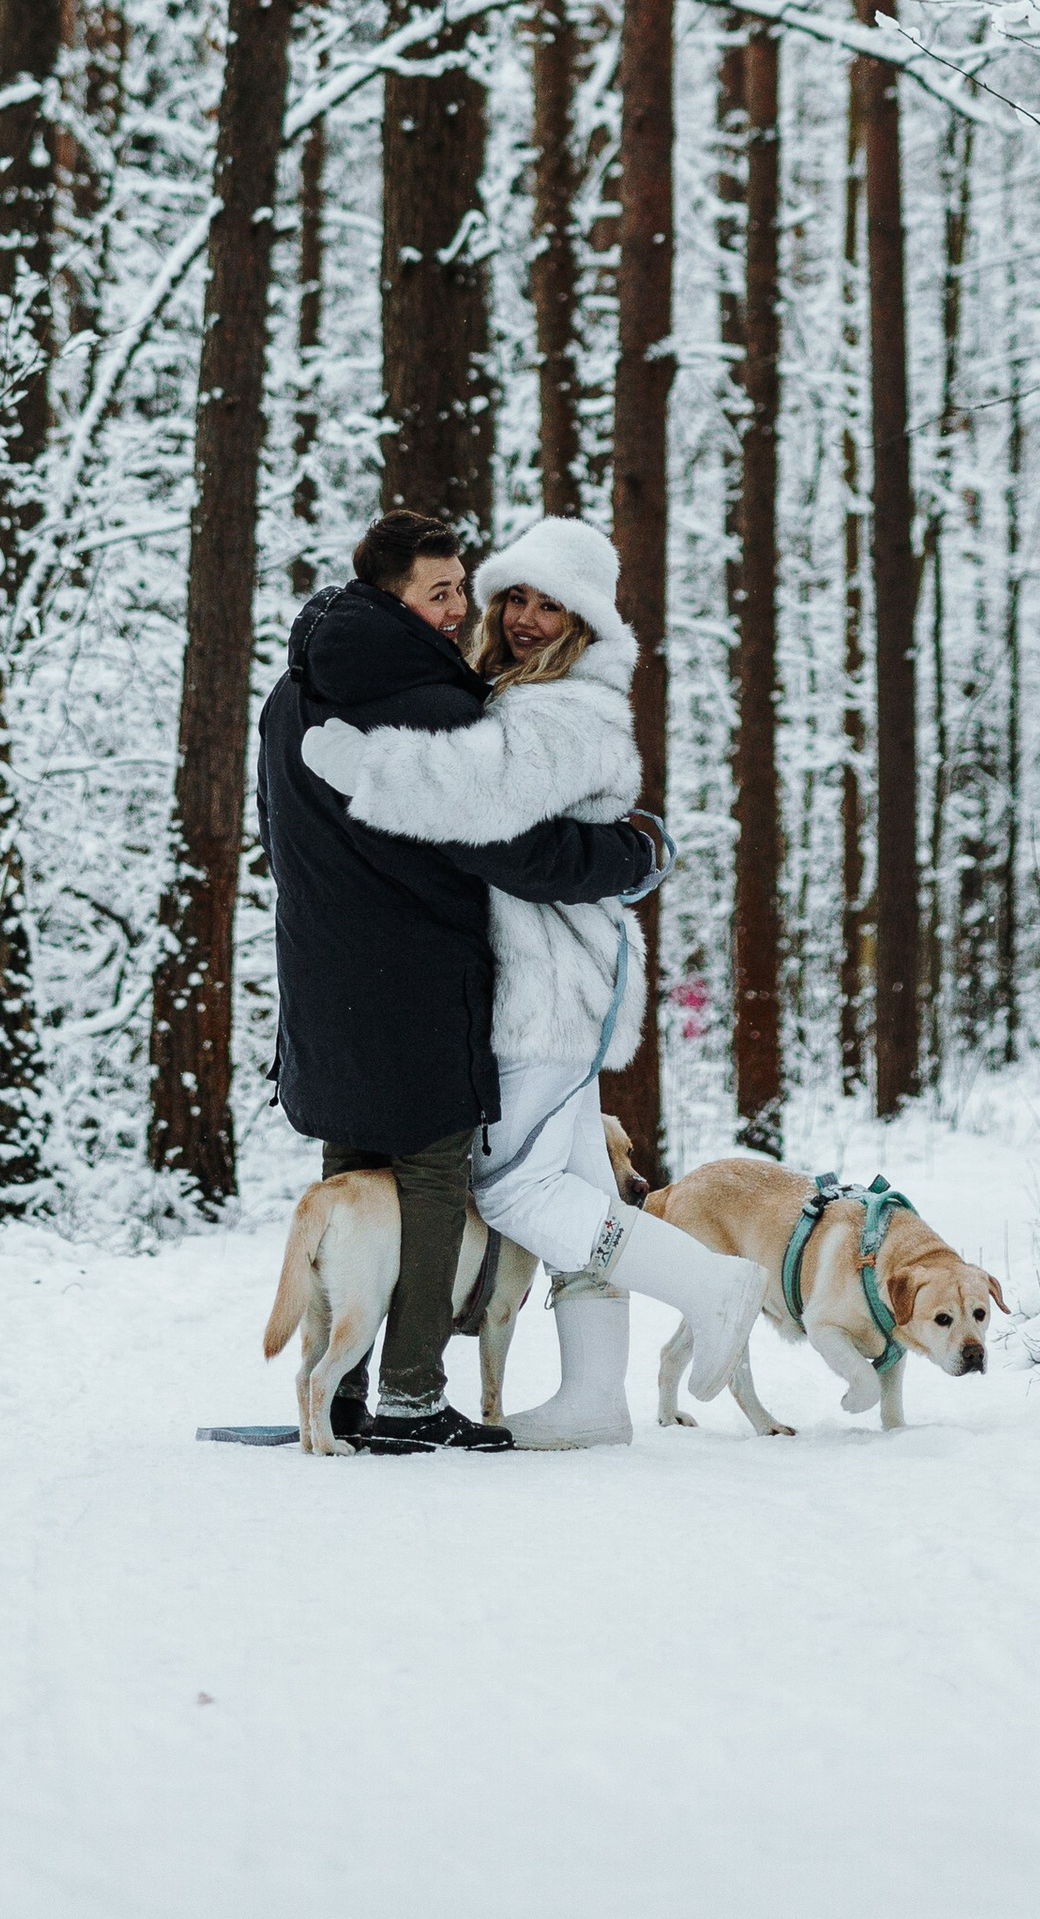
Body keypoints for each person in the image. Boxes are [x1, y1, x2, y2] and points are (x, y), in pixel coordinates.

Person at [301, 515, 766, 1450]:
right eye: (514, 594)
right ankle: (597, 1395)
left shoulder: (567, 708)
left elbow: (487, 820)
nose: (522, 615)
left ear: (586, 619)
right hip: (559, 984)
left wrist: (362, 766)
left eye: (550, 603)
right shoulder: (522, 691)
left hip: (545, 992)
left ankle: (714, 1285)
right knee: (582, 1183)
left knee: (515, 1192)